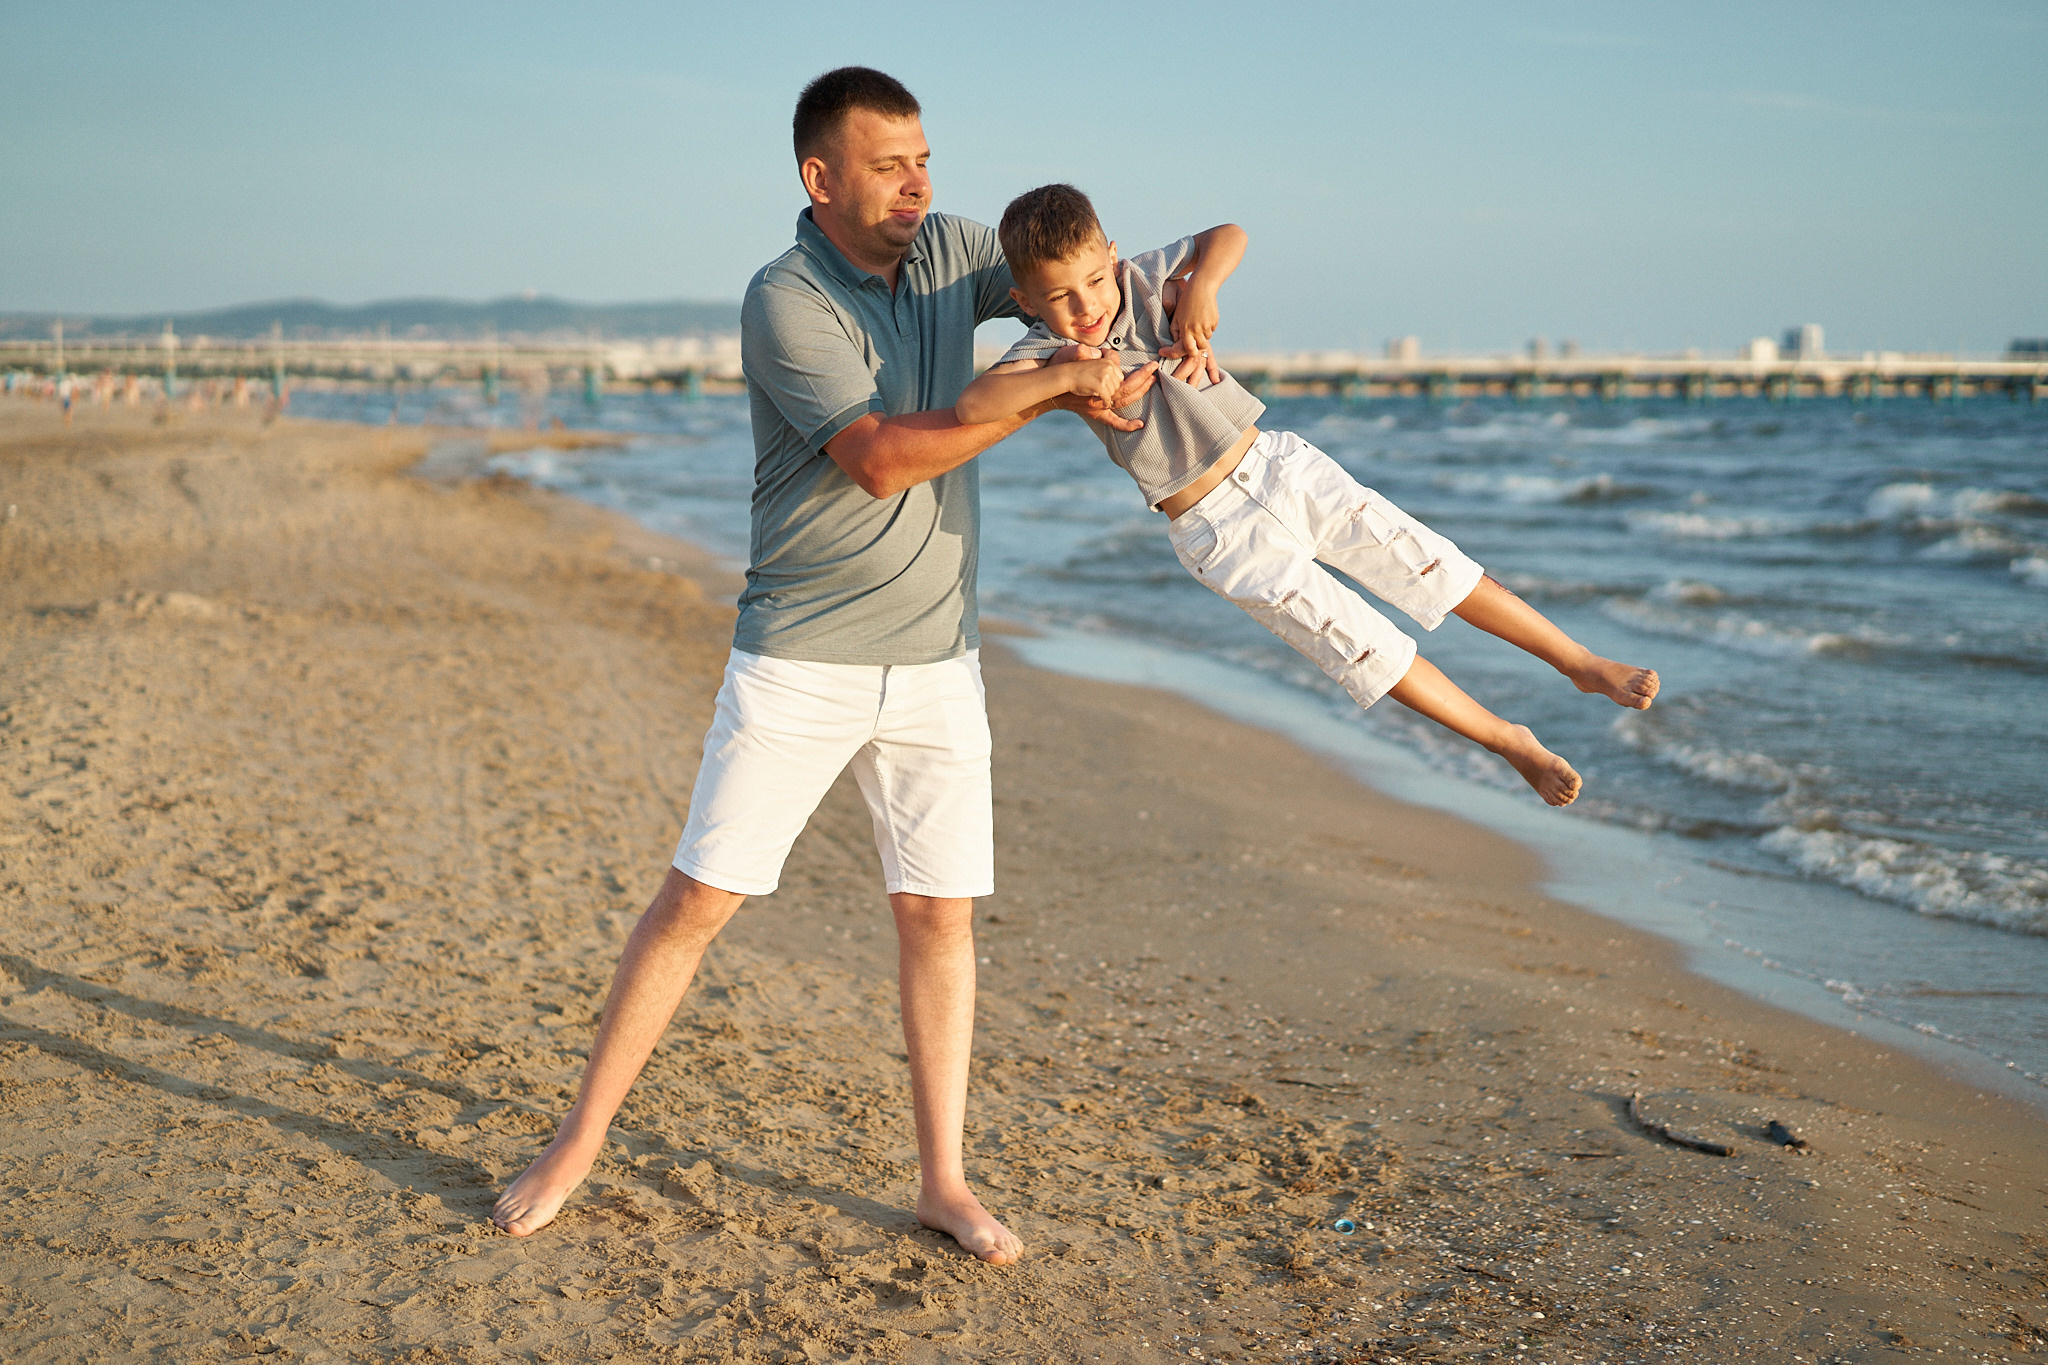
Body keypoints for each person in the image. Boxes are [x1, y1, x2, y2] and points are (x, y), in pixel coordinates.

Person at [490, 74, 1152, 1264]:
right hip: (800, 656)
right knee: (700, 900)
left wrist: (1187, 291)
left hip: (939, 656)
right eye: (889, 165)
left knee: (937, 916)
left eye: (924, 159)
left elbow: (1091, 277)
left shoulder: (954, 252)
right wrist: (1054, 386)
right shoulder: (784, 299)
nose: (917, 184)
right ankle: (577, 1141)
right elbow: (880, 460)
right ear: (821, 178)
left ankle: (943, 1182)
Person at [957, 185, 1659, 804]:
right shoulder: (1046, 350)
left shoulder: (1139, 281)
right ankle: (1508, 740)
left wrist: (1202, 287)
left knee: (1427, 563)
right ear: (1027, 302)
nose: (1086, 305)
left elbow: (1228, 235)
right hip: (1219, 533)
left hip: (1279, 468)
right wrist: (1067, 381)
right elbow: (974, 405)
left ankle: (1578, 661)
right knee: (1364, 648)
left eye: (1093, 280)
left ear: (1111, 257)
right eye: (1060, 296)